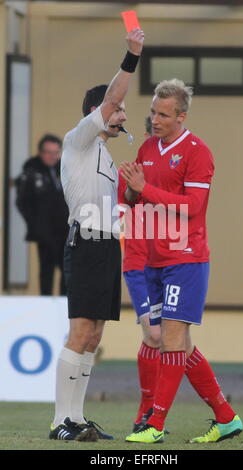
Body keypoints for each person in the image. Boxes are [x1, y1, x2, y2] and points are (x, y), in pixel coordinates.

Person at [121, 79, 243, 444]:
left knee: (171, 337)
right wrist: (131, 189)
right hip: (155, 259)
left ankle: (155, 424)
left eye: (163, 114)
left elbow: (193, 208)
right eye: (152, 112)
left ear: (181, 116)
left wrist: (145, 190)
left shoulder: (196, 151)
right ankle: (226, 417)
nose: (155, 119)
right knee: (181, 346)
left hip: (186, 257)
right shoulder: (146, 147)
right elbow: (134, 200)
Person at [49, 28, 144, 442]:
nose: (123, 115)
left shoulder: (104, 154)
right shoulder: (80, 139)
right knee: (80, 332)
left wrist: (135, 193)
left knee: (96, 335)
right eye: (118, 109)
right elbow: (110, 99)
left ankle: (78, 418)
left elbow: (115, 208)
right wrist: (132, 56)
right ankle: (60, 422)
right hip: (84, 242)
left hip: (107, 245)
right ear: (98, 111)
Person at [119, 117, 164, 433]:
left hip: (166, 266)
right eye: (153, 135)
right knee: (154, 335)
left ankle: (147, 415)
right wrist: (140, 183)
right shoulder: (134, 170)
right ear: (147, 137)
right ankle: (145, 410)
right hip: (138, 266)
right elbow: (128, 200)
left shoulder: (173, 172)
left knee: (163, 339)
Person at [16, 134, 68, 295]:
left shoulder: (64, 169)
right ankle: (46, 310)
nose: (52, 156)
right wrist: (36, 226)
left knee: (67, 271)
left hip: (65, 231)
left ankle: (64, 309)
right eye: (48, 152)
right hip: (44, 233)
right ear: (40, 152)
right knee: (46, 272)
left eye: (56, 152)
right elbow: (22, 202)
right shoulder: (31, 172)